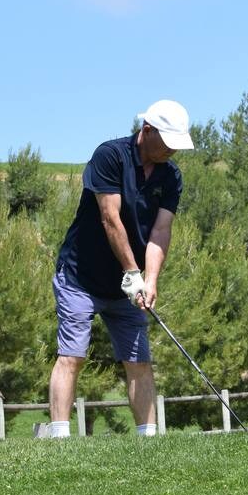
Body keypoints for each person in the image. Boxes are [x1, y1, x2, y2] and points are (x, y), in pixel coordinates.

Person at [43, 100, 194, 438]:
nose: (173, 150)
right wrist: (132, 272)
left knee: (139, 360)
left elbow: (160, 231)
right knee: (73, 355)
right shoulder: (109, 156)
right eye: (168, 141)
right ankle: (59, 438)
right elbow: (110, 218)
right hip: (80, 276)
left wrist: (150, 280)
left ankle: (148, 440)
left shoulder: (171, 177)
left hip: (130, 286)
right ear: (147, 130)